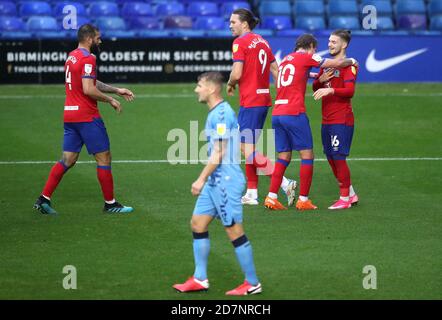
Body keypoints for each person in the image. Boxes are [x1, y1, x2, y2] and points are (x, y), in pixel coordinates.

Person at [173, 72, 262, 296]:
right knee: (197, 223)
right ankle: (200, 278)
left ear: (212, 89)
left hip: (226, 182)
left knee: (234, 231)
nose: (196, 90)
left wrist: (200, 179)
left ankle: (252, 283)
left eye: (199, 85)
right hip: (216, 181)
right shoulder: (216, 113)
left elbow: (220, 152)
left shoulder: (221, 115)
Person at [33, 24, 134, 215]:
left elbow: (91, 82)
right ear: (89, 38)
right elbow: (89, 89)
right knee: (103, 157)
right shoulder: (89, 58)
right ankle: (110, 204)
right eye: (97, 37)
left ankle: (43, 198)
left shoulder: (72, 56)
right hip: (86, 116)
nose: (100, 40)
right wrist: (110, 99)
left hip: (70, 114)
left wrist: (116, 90)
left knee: (68, 159)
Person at [263, 34, 358, 211]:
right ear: (311, 46)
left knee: (283, 156)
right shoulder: (308, 56)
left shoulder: (285, 60)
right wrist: (352, 60)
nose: (316, 51)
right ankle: (303, 200)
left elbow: (298, 74)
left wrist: (317, 78)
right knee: (307, 156)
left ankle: (271, 197)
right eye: (315, 48)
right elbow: (336, 63)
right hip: (294, 112)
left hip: (277, 113)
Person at [227, 8, 297, 207]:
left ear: (244, 24)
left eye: (233, 22)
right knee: (250, 147)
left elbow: (237, 72)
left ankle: (284, 182)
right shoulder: (262, 41)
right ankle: (251, 193)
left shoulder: (239, 43)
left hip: (250, 102)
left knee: (245, 149)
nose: (230, 25)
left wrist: (230, 83)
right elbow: (276, 70)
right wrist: (284, 95)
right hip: (263, 100)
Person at [312, 29, 359, 210]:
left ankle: (344, 198)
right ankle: (351, 193)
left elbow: (350, 91)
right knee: (331, 157)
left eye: (334, 42)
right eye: (329, 41)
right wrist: (320, 80)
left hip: (342, 119)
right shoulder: (327, 65)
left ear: (344, 44)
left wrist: (331, 90)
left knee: (338, 157)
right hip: (327, 119)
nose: (330, 44)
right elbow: (315, 87)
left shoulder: (349, 66)